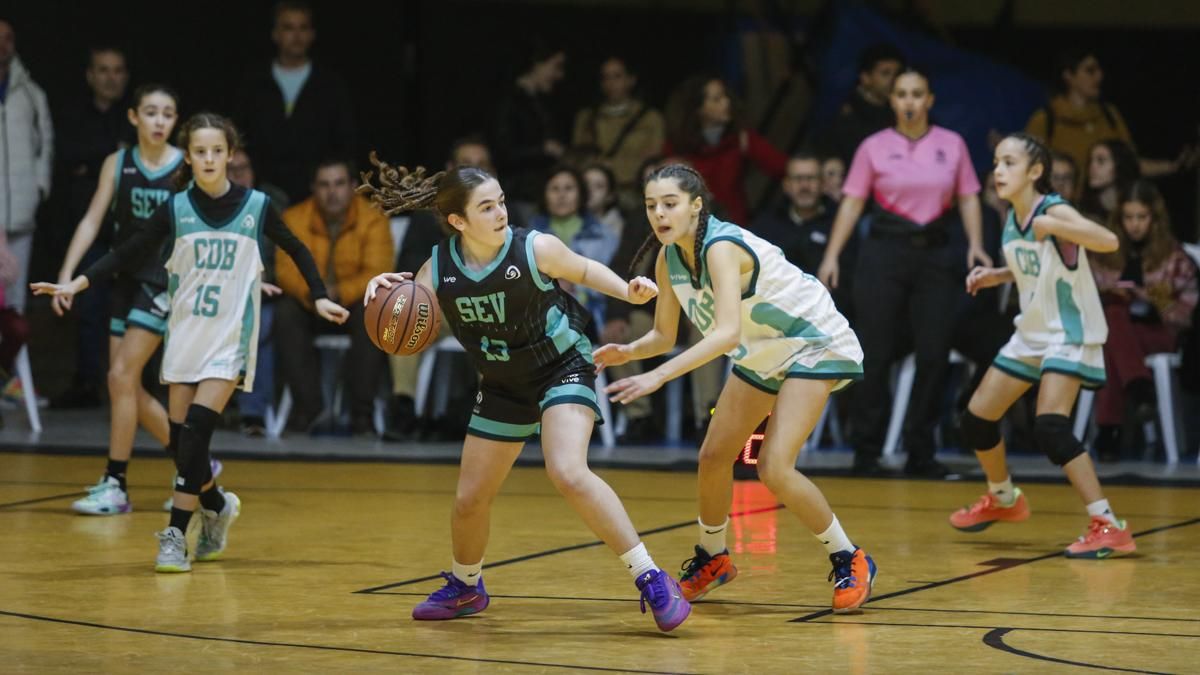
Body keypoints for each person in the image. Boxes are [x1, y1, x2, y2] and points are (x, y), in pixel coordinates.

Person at [359, 158, 690, 632]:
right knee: (469, 499)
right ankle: (466, 586)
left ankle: (652, 577)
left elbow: (585, 269)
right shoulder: (441, 265)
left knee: (568, 471)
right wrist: (382, 288)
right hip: (502, 383)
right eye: (486, 207)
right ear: (458, 221)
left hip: (561, 366)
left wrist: (629, 291)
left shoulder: (534, 247)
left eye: (501, 202)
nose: (501, 213)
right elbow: (409, 303)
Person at [34, 112, 348, 572]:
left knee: (198, 429)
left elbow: (296, 248)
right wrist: (77, 283)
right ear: (189, 156)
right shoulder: (176, 208)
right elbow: (126, 252)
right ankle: (216, 505)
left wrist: (318, 296)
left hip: (228, 339)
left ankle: (176, 536)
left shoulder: (256, 205)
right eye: (200, 151)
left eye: (217, 151)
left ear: (230, 154)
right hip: (184, 337)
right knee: (184, 445)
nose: (209, 158)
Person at [597, 164, 877, 614]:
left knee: (773, 467)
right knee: (713, 456)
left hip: (811, 340)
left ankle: (850, 556)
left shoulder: (721, 247)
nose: (659, 214)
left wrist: (658, 376)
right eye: (651, 206)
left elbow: (725, 333)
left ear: (696, 206)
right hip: (761, 347)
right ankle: (714, 557)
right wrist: (629, 351)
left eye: (670, 203)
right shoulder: (668, 259)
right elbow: (665, 336)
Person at [948, 132, 1135, 559]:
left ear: (1035, 171)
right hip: (1033, 332)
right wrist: (998, 275)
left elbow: (1109, 241)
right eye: (997, 162)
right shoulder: (1013, 216)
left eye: (1009, 163)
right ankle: (1003, 498)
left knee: (1050, 426)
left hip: (1069, 332)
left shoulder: (1052, 209)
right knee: (976, 420)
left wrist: (1058, 225)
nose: (999, 170)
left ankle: (1108, 524)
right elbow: (1036, 266)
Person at [818, 68, 990, 478]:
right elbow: (852, 202)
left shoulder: (952, 144)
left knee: (933, 354)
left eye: (916, 94)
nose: (909, 101)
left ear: (929, 100)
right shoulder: (873, 147)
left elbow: (968, 197)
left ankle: (920, 451)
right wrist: (832, 255)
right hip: (884, 251)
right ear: (892, 101)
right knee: (874, 354)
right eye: (901, 94)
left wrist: (976, 243)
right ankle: (866, 451)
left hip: (936, 252)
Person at [53, 85, 185, 516]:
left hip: (162, 282)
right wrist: (67, 274)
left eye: (168, 113)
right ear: (134, 117)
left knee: (121, 374)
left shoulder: (185, 166)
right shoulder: (118, 162)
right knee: (121, 384)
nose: (159, 121)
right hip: (123, 279)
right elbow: (92, 221)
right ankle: (194, 463)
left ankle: (116, 483)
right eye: (151, 112)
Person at [275, 158, 391, 435]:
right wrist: (316, 294)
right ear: (313, 188)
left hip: (353, 302)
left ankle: (361, 413)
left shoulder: (373, 218)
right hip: (311, 302)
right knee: (284, 313)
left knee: (375, 311)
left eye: (339, 184)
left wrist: (340, 292)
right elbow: (285, 271)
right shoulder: (294, 218)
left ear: (353, 186)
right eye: (324, 185)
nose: (332, 192)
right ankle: (308, 408)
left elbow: (379, 271)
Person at [50, 45, 134, 409]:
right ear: (90, 75)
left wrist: (91, 164)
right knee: (89, 307)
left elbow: (113, 162)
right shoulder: (73, 115)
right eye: (103, 69)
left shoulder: (135, 118)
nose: (110, 78)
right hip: (90, 226)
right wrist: (108, 154)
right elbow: (68, 158)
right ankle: (87, 384)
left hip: (132, 231)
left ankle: (138, 383)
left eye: (117, 70)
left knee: (137, 308)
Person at [1090, 180, 1197, 460]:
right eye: (1128, 217)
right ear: (1119, 219)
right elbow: (1087, 291)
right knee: (1114, 316)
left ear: (1154, 218)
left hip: (1160, 333)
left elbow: (1187, 314)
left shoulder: (1173, 257)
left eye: (1141, 217)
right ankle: (1139, 389)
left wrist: (1150, 296)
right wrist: (1112, 291)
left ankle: (1109, 431)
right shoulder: (1107, 254)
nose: (1134, 225)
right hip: (1120, 333)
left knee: (1111, 336)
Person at [232, 0, 356, 203]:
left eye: (303, 28)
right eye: (289, 28)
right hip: (262, 195)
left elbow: (344, 144)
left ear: (312, 34)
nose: (297, 36)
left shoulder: (330, 85)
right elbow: (239, 138)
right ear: (275, 34)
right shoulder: (255, 84)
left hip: (317, 197)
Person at [1025, 49, 1193, 186]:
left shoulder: (1109, 115)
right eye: (1090, 71)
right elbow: (1027, 170)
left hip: (1106, 208)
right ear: (1068, 75)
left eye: (1098, 70)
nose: (1099, 76)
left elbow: (1130, 163)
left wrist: (1173, 167)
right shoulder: (1046, 119)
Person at [663, 76, 786, 225]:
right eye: (717, 99)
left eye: (725, 96)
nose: (727, 102)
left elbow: (783, 167)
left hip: (735, 226)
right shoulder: (677, 147)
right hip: (693, 227)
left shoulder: (741, 138)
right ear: (698, 108)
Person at [227, 148, 290, 437]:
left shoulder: (271, 203)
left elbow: (286, 256)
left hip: (262, 292)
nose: (238, 175)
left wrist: (261, 278)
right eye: (232, 169)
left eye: (244, 168)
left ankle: (253, 412)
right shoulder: (206, 203)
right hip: (216, 291)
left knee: (260, 324)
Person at [0, 19, 53, 314]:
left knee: (15, 295)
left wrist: (40, 186)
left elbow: (46, 143)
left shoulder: (32, 94)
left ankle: (12, 343)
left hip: (21, 211)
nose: (2, 44)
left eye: (7, 38)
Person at [571, 57, 665, 209]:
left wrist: (614, 167)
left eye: (617, 76)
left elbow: (653, 159)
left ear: (631, 80)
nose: (611, 83)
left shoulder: (650, 119)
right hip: (594, 194)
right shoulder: (586, 118)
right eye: (605, 77)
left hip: (633, 194)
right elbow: (577, 158)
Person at [492, 44, 567, 212]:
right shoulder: (510, 101)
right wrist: (543, 150)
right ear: (537, 64)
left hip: (540, 191)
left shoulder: (543, 101)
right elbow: (503, 151)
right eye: (556, 66)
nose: (559, 75)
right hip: (520, 193)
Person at [814, 43, 905, 165]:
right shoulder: (842, 115)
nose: (893, 80)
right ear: (865, 77)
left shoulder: (899, 115)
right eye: (885, 73)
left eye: (897, 74)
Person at [1078, 139, 1139, 223]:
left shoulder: (1136, 200)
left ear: (1119, 164)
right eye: (1090, 161)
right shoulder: (1082, 207)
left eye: (1101, 161)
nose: (1092, 166)